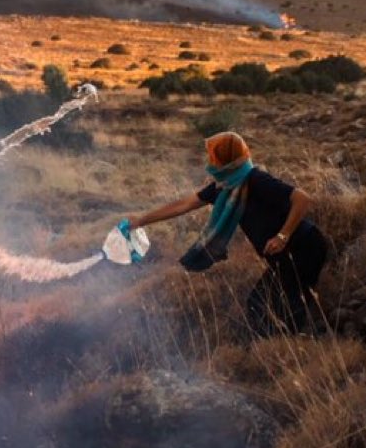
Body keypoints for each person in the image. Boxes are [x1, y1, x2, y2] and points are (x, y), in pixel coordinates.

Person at [127, 132, 328, 337]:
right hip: (286, 257)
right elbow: (184, 205)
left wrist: (282, 236)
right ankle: (292, 342)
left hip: (305, 248)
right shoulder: (225, 186)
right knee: (267, 304)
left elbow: (302, 199)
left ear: (225, 158)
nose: (210, 160)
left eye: (214, 155)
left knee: (271, 305)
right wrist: (142, 220)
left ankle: (294, 347)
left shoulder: (255, 179)